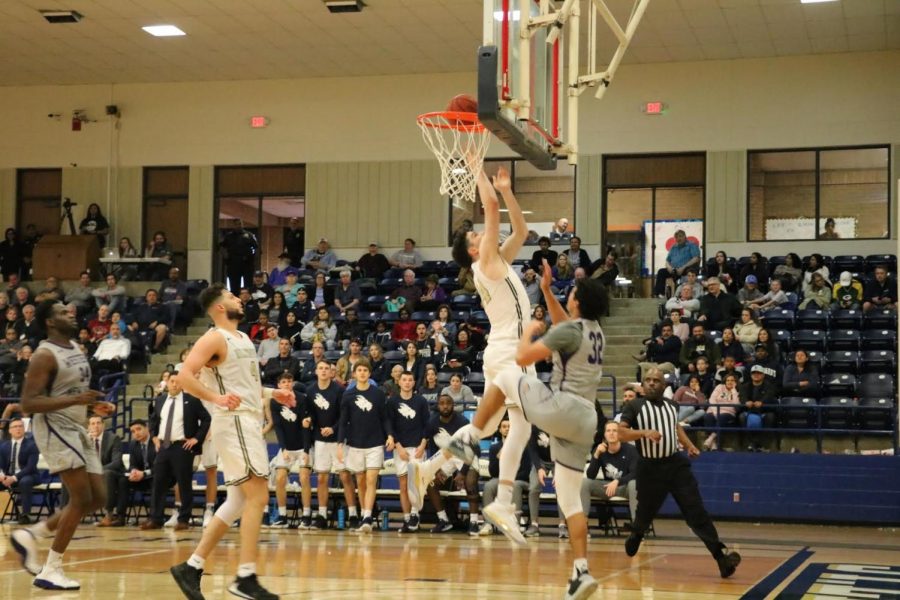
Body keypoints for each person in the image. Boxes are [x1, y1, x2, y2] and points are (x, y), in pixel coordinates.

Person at [420, 270, 608, 600]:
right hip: (587, 420)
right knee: (568, 500)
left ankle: (469, 438)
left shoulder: (569, 330)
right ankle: (581, 571)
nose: (569, 295)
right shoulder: (595, 332)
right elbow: (565, 323)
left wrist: (530, 332)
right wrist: (547, 291)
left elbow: (522, 357)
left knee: (507, 374)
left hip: (562, 407)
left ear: (578, 299)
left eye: (572, 292)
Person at [168, 283, 295, 600]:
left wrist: (271, 393)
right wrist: (215, 398)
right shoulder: (214, 336)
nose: (239, 299)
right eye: (232, 296)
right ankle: (245, 577)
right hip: (235, 422)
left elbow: (242, 386)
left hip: (247, 420)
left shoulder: (242, 339)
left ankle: (192, 566)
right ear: (220, 307)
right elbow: (184, 376)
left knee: (238, 501)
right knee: (258, 498)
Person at [10, 299, 116, 589]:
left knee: (97, 499)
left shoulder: (77, 349)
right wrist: (76, 400)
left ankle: (32, 535)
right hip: (54, 426)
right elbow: (28, 403)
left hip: (76, 425)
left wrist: (94, 407)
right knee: (80, 498)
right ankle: (51, 568)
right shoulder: (44, 355)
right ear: (50, 322)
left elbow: (72, 391)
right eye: (62, 312)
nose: (70, 314)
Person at [617, 368, 741, 579]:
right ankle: (637, 532)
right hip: (649, 467)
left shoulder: (672, 405)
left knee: (696, 511)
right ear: (643, 385)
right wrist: (643, 433)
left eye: (656, 380)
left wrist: (690, 445)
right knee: (645, 512)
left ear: (664, 385)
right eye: (648, 380)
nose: (652, 383)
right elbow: (620, 433)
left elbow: (675, 428)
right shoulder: (634, 406)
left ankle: (721, 558)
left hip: (675, 465)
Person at [140, 375, 211, 530]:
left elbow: (206, 419)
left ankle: (183, 519)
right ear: (167, 383)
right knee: (158, 482)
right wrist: (154, 437)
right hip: (164, 446)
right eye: (172, 381)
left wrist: (196, 439)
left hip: (182, 447)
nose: (174, 384)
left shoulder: (191, 400)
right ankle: (156, 518)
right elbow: (153, 420)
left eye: (178, 382)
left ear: (182, 384)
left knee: (184, 483)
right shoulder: (160, 400)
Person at [336, 360, 394, 533]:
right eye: (359, 370)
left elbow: (385, 418)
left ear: (369, 374)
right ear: (354, 374)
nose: (362, 373)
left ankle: (368, 516)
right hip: (354, 443)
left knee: (371, 479)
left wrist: (390, 435)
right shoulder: (348, 395)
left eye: (365, 370)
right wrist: (340, 443)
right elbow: (343, 422)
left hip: (375, 443)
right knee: (360, 480)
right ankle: (363, 515)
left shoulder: (378, 394)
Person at [422, 394, 482, 534]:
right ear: (438, 406)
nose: (445, 406)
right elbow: (427, 440)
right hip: (448, 458)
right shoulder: (433, 422)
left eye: (448, 403)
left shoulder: (462, 422)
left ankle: (474, 522)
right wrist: (434, 465)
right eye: (442, 403)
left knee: (470, 482)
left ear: (453, 405)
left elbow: (474, 448)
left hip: (468, 457)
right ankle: (443, 520)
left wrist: (462, 472)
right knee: (430, 483)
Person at [304, 359, 353, 529]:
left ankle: (353, 514)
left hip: (338, 439)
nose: (324, 371)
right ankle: (322, 514)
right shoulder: (310, 391)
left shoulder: (339, 390)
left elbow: (344, 416)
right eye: (321, 368)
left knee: (345, 477)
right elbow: (311, 414)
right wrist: (311, 422)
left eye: (327, 368)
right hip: (320, 439)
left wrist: (333, 429)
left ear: (332, 372)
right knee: (321, 477)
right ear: (316, 371)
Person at [389, 371, 430, 533]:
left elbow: (427, 424)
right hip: (401, 449)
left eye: (410, 380)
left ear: (414, 383)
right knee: (404, 485)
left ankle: (415, 515)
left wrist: (423, 445)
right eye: (404, 380)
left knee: (416, 485)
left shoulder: (421, 401)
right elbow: (390, 426)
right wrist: (398, 447)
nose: (407, 382)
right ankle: (407, 519)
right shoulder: (392, 402)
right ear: (399, 382)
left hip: (418, 448)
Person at [269, 372, 309, 529]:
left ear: (292, 383)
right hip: (287, 447)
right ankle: (282, 515)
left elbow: (305, 426)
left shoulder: (301, 398)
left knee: (304, 477)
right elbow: (278, 427)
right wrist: (283, 449)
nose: (286, 384)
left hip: (302, 446)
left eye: (289, 381)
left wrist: (306, 450)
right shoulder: (274, 402)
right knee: (279, 479)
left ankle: (306, 515)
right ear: (279, 385)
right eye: (283, 381)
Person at [98, 419, 155, 527]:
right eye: (133, 431)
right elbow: (133, 464)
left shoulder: (156, 441)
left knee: (156, 481)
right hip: (140, 477)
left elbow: (159, 466)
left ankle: (153, 518)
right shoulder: (133, 444)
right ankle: (120, 517)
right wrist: (133, 471)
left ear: (147, 428)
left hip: (155, 476)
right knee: (123, 480)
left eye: (139, 429)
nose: (136, 433)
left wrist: (144, 473)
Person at [581, 421, 638, 522]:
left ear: (619, 434)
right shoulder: (600, 450)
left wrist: (617, 481)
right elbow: (591, 475)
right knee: (585, 483)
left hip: (625, 487)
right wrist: (596, 455)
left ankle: (637, 526)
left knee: (634, 483)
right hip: (608, 488)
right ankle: (583, 523)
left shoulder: (631, 450)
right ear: (605, 435)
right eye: (608, 431)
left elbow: (635, 474)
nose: (611, 433)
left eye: (614, 431)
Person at [0, 418, 39, 524]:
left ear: (24, 429)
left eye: (20, 426)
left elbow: (30, 467)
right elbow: (1, 465)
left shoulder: (32, 445)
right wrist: (2, 476)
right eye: (15, 426)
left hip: (29, 475)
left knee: (25, 481)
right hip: (9, 477)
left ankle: (25, 515)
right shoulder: (4, 446)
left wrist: (13, 478)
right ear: (9, 430)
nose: (18, 429)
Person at [741, 365, 778, 452]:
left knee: (770, 417)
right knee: (742, 417)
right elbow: (742, 396)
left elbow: (770, 396)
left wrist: (762, 402)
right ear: (751, 375)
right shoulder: (745, 386)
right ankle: (751, 443)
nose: (756, 375)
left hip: (764, 411)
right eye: (754, 373)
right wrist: (746, 402)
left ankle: (761, 444)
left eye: (759, 373)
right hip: (750, 411)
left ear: (763, 375)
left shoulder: (769, 386)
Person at [654, 230, 701, 298]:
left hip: (687, 269)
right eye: (676, 237)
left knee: (688, 270)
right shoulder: (674, 247)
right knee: (661, 272)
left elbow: (696, 258)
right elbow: (667, 260)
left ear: (685, 236)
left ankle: (682, 294)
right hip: (674, 269)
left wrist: (683, 267)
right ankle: (660, 294)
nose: (678, 238)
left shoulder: (691, 245)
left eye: (680, 236)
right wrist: (669, 267)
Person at [702, 374, 740, 451]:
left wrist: (733, 390)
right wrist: (716, 412)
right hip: (714, 410)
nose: (730, 382)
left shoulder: (738, 391)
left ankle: (710, 439)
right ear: (725, 381)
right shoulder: (720, 387)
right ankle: (714, 444)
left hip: (728, 412)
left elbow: (736, 404)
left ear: (735, 382)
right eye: (728, 380)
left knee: (722, 417)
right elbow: (712, 399)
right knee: (707, 417)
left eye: (732, 380)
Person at [219, 220, 259, 293]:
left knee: (248, 285)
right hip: (233, 263)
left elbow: (256, 247)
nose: (238, 225)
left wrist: (254, 258)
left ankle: (248, 301)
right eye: (236, 224)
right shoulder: (229, 236)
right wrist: (226, 256)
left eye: (240, 224)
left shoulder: (249, 235)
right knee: (234, 286)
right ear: (233, 225)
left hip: (247, 263)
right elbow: (221, 247)